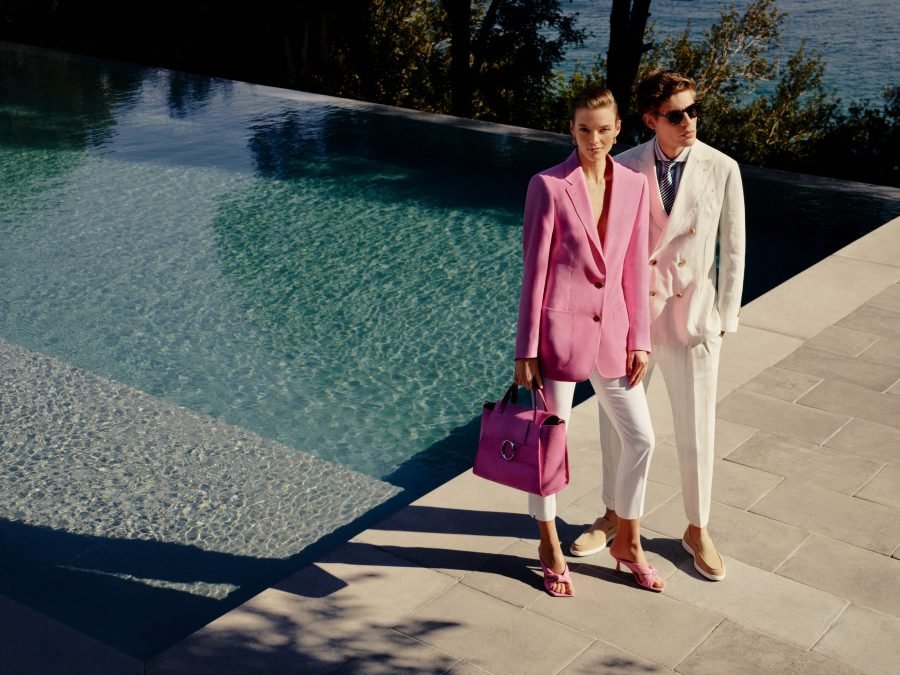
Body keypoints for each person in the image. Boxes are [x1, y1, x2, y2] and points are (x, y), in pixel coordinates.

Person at [572, 70, 745, 581]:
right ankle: (612, 514)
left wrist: (723, 318)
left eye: (694, 111)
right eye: (676, 115)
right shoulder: (623, 165)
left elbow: (734, 248)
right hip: (633, 322)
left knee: (697, 431)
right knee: (616, 428)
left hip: (694, 321)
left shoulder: (722, 168)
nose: (689, 121)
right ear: (651, 120)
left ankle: (697, 527)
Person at [514, 86, 664, 596]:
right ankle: (548, 545)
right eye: (584, 129)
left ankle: (628, 542)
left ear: (619, 129)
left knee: (642, 439)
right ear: (572, 129)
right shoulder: (548, 186)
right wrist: (526, 350)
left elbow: (632, 267)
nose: (593, 139)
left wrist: (640, 338)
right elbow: (534, 273)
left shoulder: (635, 186)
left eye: (603, 129)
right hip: (557, 337)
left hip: (615, 336)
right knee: (548, 447)